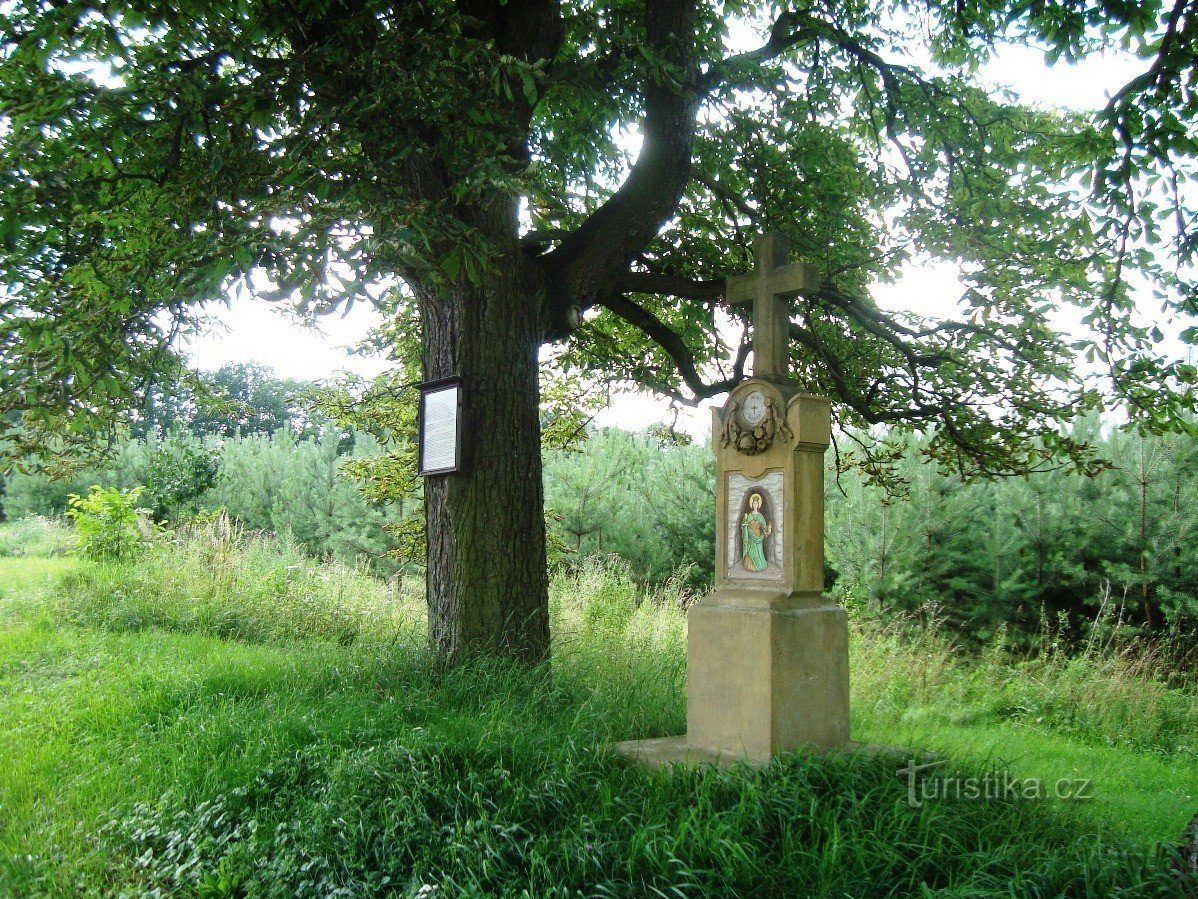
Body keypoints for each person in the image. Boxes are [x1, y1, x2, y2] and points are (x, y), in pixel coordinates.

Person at [741, 492, 772, 572]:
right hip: (750, 537)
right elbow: (744, 526)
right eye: (754, 503)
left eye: (756, 504)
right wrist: (744, 525)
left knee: (758, 550)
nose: (755, 505)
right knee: (751, 550)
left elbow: (765, 530)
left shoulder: (760, 516)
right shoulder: (749, 515)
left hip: (758, 535)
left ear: (758, 505)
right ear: (752, 504)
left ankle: (759, 564)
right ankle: (750, 566)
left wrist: (769, 528)